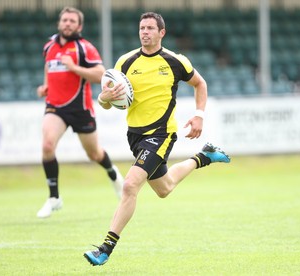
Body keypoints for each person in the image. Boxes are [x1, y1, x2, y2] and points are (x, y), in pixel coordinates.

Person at [83, 12, 230, 266]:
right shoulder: (125, 63)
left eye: (150, 28)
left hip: (161, 134)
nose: (145, 32)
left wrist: (199, 116)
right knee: (165, 188)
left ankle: (105, 248)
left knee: (130, 186)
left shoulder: (175, 61)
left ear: (162, 32)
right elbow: (108, 101)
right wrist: (103, 99)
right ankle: (203, 156)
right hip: (135, 136)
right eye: (142, 28)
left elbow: (200, 84)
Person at [35, 7, 123, 219]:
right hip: (55, 107)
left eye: (72, 21)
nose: (67, 23)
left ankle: (113, 174)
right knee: (47, 146)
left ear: (79, 26)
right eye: (64, 20)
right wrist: (46, 85)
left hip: (80, 108)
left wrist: (74, 68)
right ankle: (54, 197)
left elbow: (100, 74)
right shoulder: (49, 46)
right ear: (59, 23)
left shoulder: (85, 48)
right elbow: (49, 68)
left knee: (94, 154)